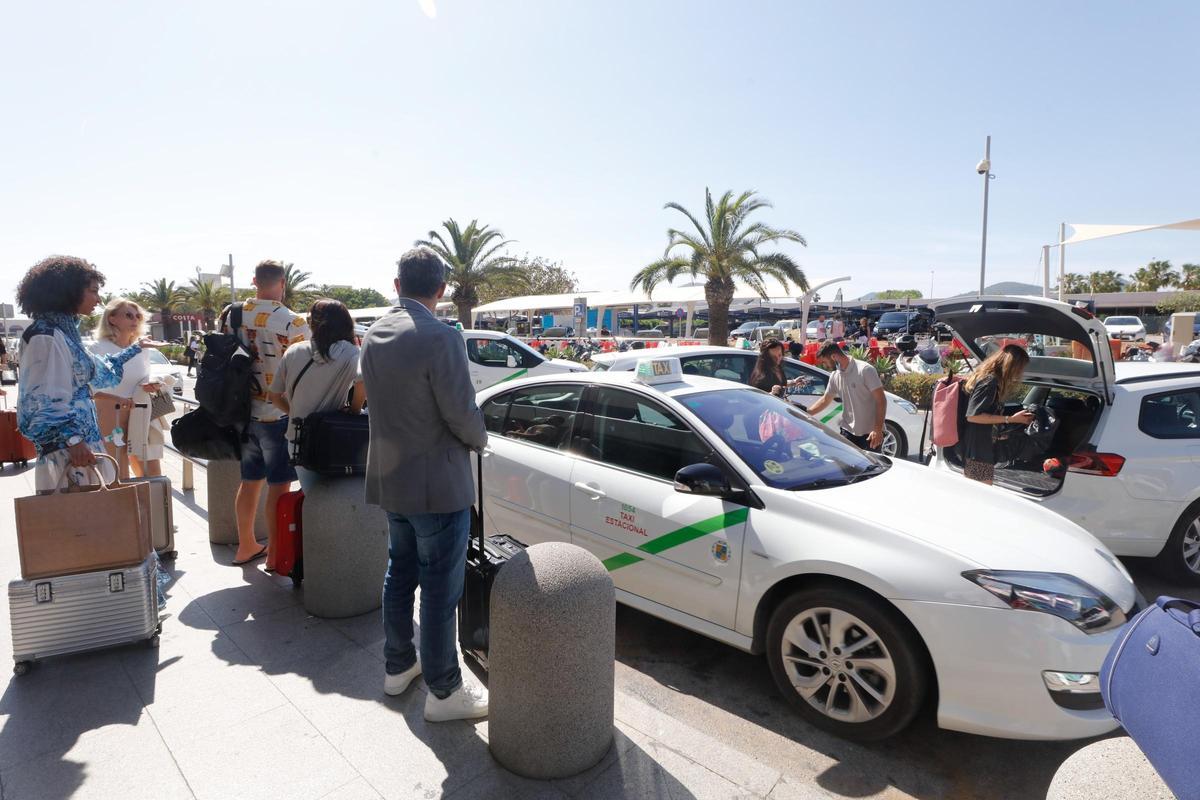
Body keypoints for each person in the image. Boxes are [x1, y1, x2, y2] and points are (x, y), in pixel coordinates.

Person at [360, 246, 489, 722]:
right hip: (438, 486)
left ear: (397, 285)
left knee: (400, 575)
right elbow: (462, 414)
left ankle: (399, 667)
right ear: (442, 290)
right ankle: (445, 690)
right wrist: (482, 438)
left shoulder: (373, 333)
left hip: (392, 481)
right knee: (439, 591)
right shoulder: (441, 337)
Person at [14, 256, 160, 491]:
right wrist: (73, 441)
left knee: (92, 520)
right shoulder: (45, 336)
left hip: (81, 447)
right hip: (69, 453)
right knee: (77, 522)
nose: (98, 299)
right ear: (69, 291)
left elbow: (98, 372)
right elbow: (42, 399)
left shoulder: (63, 332)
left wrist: (135, 348)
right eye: (93, 291)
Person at [219, 260, 310, 567]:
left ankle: (246, 545)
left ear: (253, 281)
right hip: (278, 413)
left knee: (249, 481)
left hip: (243, 411)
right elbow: (303, 369)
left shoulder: (231, 314)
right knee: (279, 485)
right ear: (282, 283)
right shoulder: (294, 322)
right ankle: (273, 555)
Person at [270, 299, 365, 494]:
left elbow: (274, 396)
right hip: (335, 437)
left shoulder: (294, 350)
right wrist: (354, 410)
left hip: (297, 439)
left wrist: (296, 412)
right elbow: (362, 382)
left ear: (312, 322)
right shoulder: (350, 352)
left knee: (312, 500)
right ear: (346, 323)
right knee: (336, 503)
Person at [90, 298, 176, 479]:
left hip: (141, 410)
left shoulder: (143, 349)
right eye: (128, 315)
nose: (134, 320)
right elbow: (91, 388)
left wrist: (153, 383)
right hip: (110, 413)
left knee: (151, 468)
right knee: (117, 470)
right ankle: (123, 506)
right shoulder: (97, 348)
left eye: (138, 316)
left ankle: (150, 506)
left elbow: (144, 377)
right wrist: (117, 400)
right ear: (112, 319)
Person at [961, 344, 1034, 485]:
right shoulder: (990, 382)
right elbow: (973, 416)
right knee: (982, 494)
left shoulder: (991, 381)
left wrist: (1000, 431)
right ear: (1011, 365)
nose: (1020, 373)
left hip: (980, 445)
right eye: (1020, 368)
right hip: (978, 448)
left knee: (976, 491)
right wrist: (1010, 419)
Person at [807, 339, 887, 451]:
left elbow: (881, 400)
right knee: (847, 467)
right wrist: (806, 414)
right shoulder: (835, 375)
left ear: (834, 357)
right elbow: (826, 399)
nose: (824, 366)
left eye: (825, 362)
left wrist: (877, 430)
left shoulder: (865, 370)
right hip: (847, 431)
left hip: (870, 434)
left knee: (871, 468)